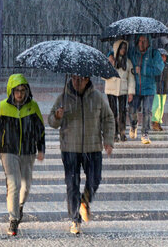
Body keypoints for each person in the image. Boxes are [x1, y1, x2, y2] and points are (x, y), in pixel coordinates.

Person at [48, 74, 115, 234]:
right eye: (74, 79)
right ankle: (75, 219)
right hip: (70, 148)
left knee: (95, 179)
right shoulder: (63, 98)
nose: (76, 82)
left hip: (92, 147)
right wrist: (57, 116)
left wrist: (108, 139)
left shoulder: (97, 97)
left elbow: (108, 118)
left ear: (87, 79)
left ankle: (85, 201)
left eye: (80, 79)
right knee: (72, 184)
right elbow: (51, 121)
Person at [0, 74, 45, 236]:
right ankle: (13, 219)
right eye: (17, 91)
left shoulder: (33, 106)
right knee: (14, 184)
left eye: (23, 90)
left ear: (27, 91)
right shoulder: (2, 107)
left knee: (26, 185)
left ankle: (19, 206)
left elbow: (40, 130)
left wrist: (41, 148)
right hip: (8, 151)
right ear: (11, 91)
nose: (20, 94)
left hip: (28, 151)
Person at [127, 35, 165, 144]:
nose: (142, 43)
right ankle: (133, 124)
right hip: (135, 87)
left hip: (149, 88)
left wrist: (143, 70)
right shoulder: (133, 53)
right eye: (140, 41)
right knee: (132, 110)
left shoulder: (154, 54)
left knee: (147, 111)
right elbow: (121, 54)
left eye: (144, 41)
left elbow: (159, 69)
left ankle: (145, 133)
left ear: (148, 42)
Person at [105, 40, 135, 142]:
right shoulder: (110, 60)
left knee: (122, 111)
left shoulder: (127, 62)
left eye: (125, 48)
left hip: (123, 89)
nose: (123, 50)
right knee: (113, 112)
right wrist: (110, 64)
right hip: (111, 89)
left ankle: (122, 131)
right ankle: (114, 133)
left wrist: (131, 92)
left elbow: (131, 78)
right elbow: (103, 76)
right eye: (121, 48)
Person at [151, 48, 168, 131]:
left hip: (164, 89)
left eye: (164, 56)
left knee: (162, 106)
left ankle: (158, 121)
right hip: (156, 88)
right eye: (161, 56)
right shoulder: (154, 66)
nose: (163, 58)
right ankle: (155, 121)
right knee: (157, 105)